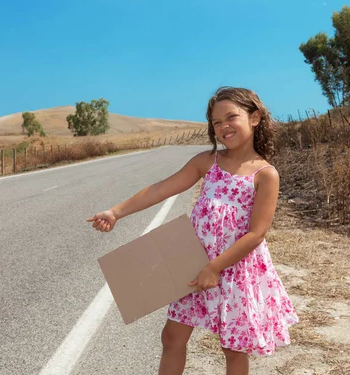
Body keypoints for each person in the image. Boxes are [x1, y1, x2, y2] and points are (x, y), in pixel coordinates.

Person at [87, 87, 298, 375]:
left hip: (235, 269)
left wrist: (214, 268)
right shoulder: (207, 162)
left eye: (231, 117)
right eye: (216, 122)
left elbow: (256, 234)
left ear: (255, 117)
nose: (223, 126)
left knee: (233, 348)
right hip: (192, 263)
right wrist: (116, 212)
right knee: (172, 338)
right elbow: (162, 188)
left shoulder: (266, 174)